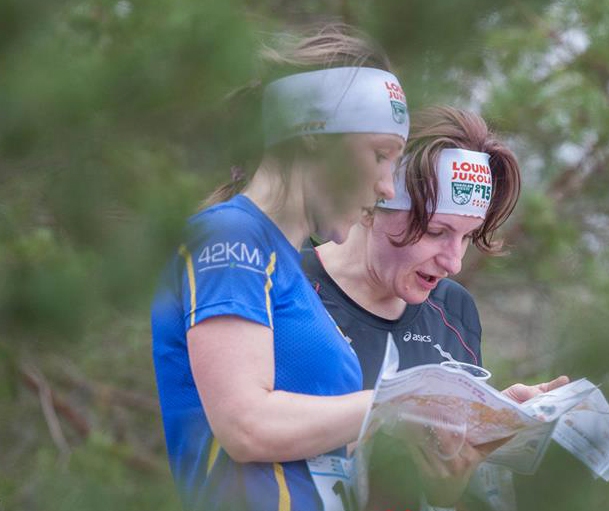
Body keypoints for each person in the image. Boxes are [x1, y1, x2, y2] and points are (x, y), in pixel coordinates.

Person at [151, 25, 410, 511]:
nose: (388, 188)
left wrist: (473, 418)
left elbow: (326, 460)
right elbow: (246, 426)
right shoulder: (230, 238)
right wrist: (400, 402)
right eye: (380, 156)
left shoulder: (286, 268)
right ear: (314, 136)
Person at [303, 106, 568, 510]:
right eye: (436, 232)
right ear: (373, 204)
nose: (453, 262)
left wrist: (455, 476)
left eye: (467, 237)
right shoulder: (287, 285)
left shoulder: (453, 309)